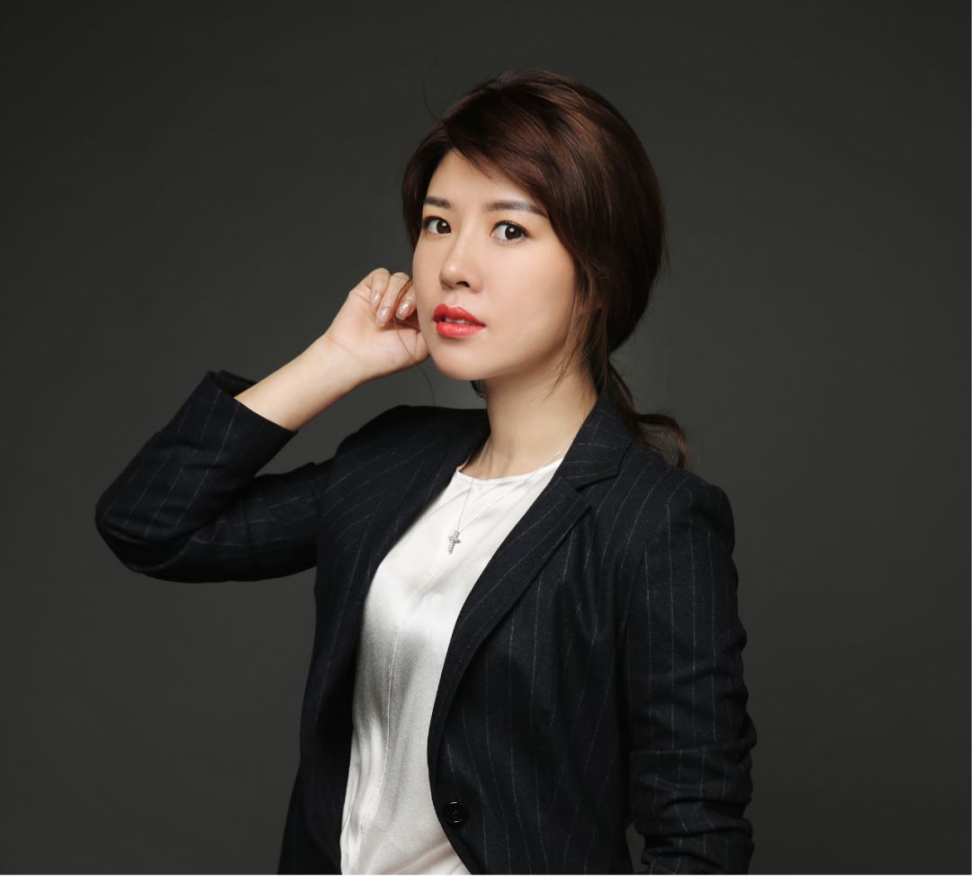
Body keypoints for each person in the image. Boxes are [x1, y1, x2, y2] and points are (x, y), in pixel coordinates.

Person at [95, 68, 757, 875]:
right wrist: (334, 361)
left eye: (509, 230)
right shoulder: (393, 459)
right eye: (439, 224)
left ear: (596, 276)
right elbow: (150, 524)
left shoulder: (653, 521)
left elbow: (699, 837)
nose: (454, 265)